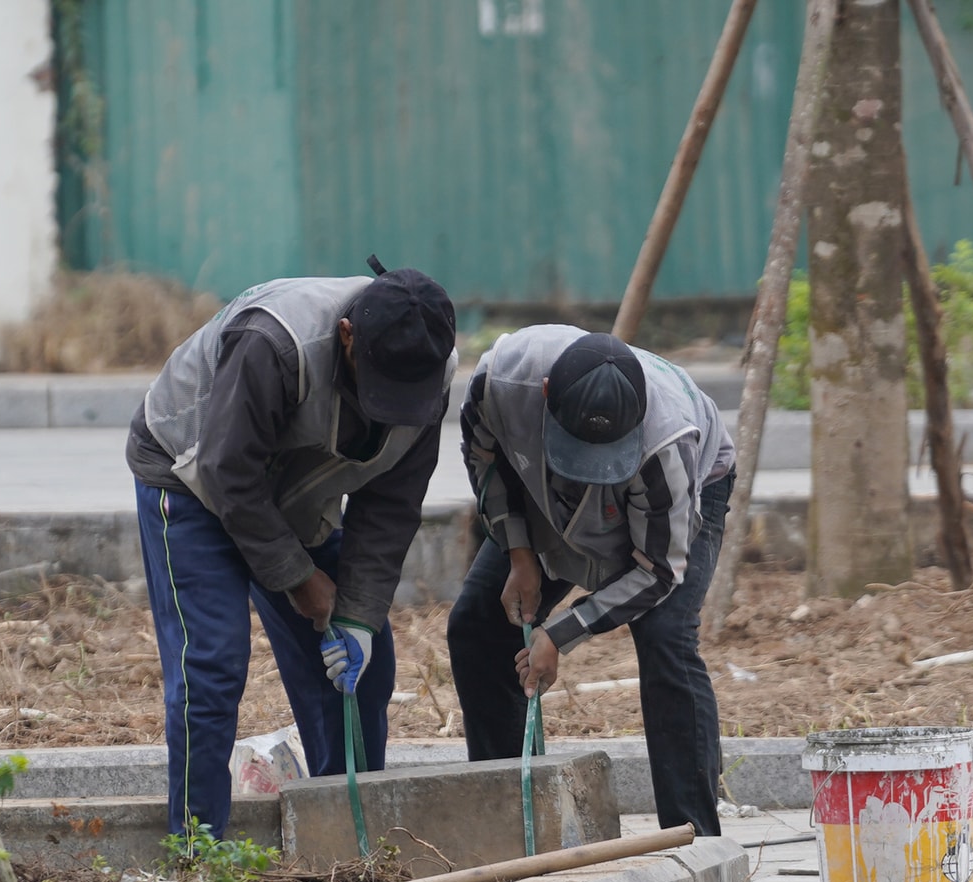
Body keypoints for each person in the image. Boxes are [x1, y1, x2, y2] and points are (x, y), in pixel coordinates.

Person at [127, 263, 456, 839]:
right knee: (211, 667)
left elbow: (391, 506)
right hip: (191, 474)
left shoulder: (430, 369)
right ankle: (199, 854)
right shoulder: (275, 342)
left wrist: (358, 615)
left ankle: (346, 841)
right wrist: (300, 578)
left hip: (293, 490)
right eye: (381, 386)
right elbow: (229, 474)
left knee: (362, 664)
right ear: (348, 335)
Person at [448, 326, 734, 837]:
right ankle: (513, 823)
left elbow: (659, 571)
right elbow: (483, 457)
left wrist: (560, 633)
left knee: (666, 638)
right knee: (477, 624)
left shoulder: (668, 444)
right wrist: (519, 552)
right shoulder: (500, 382)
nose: (592, 472)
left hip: (678, 493)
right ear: (544, 394)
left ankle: (693, 840)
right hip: (542, 490)